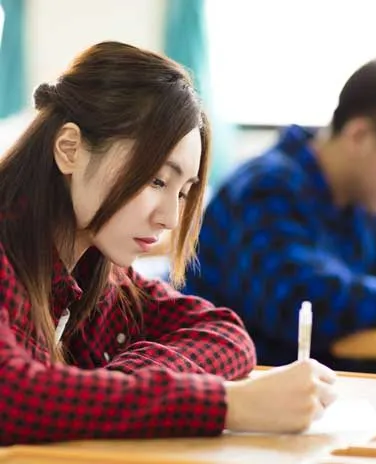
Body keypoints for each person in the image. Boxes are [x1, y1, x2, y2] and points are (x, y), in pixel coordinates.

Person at [0, 41, 336, 445]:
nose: (171, 218)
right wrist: (230, 404)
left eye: (182, 191)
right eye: (156, 180)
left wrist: (116, 387)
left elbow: (224, 333)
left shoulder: (95, 266)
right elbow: (14, 399)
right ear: (70, 149)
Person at [184, 57, 376, 369]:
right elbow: (314, 305)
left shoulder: (364, 202)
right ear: (359, 136)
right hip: (243, 393)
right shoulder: (264, 190)